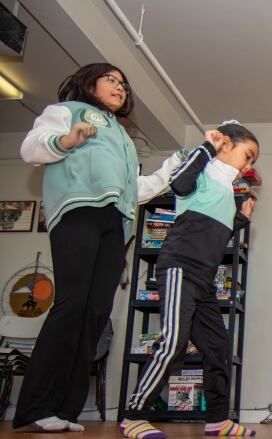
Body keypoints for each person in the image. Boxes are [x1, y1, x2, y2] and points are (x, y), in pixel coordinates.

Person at [15, 63, 185, 432]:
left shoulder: (123, 137)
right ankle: (36, 407)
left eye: (123, 84)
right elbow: (30, 149)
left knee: (95, 312)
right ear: (88, 81)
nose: (120, 87)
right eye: (112, 79)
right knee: (72, 304)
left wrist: (172, 167)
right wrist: (67, 141)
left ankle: (65, 410)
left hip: (116, 222)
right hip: (79, 212)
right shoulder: (68, 112)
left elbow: (135, 189)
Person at [120, 121, 258, 439]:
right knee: (173, 343)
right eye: (247, 155)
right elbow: (179, 185)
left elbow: (217, 231)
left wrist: (242, 218)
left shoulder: (224, 190)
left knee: (218, 346)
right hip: (180, 268)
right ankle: (134, 416)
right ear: (225, 144)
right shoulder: (201, 174)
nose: (248, 166)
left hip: (204, 279)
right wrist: (208, 145)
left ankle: (217, 420)